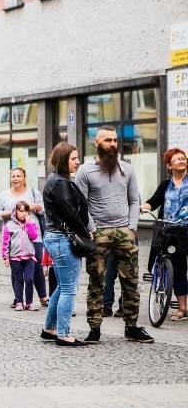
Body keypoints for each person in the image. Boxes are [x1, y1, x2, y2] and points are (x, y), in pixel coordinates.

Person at [74, 125, 153, 344]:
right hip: (98, 232)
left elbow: (134, 199)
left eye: (115, 140)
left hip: (124, 233)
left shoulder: (126, 168)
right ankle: (94, 329)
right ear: (97, 143)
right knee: (97, 282)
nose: (112, 144)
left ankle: (132, 326)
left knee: (131, 282)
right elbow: (82, 204)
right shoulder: (85, 170)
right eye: (107, 140)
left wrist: (132, 228)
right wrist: (92, 229)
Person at [42, 143, 93, 347]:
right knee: (69, 289)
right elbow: (70, 213)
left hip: (55, 237)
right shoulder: (60, 182)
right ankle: (64, 334)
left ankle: (49, 328)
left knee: (62, 286)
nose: (78, 161)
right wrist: (85, 231)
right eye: (73, 158)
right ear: (64, 160)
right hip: (63, 239)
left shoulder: (55, 179)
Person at [140, 148, 188, 321]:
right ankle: (182, 308)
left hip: (187, 228)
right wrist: (143, 207)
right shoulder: (165, 184)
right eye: (177, 159)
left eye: (183, 158)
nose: (182, 161)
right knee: (178, 268)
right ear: (169, 165)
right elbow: (154, 200)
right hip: (171, 231)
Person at [0, 167, 49, 308]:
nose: (16, 179)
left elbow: (44, 210)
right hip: (14, 236)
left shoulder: (33, 193)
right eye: (13, 176)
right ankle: (18, 299)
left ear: (24, 177)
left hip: (33, 235)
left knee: (37, 265)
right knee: (16, 268)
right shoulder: (4, 195)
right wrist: (8, 214)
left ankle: (43, 296)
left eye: (19, 176)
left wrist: (35, 207)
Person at [1, 201, 40, 311]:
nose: (24, 213)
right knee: (18, 280)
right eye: (21, 211)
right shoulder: (9, 226)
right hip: (15, 257)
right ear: (15, 212)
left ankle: (29, 302)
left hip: (29, 257)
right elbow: (5, 242)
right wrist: (5, 257)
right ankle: (19, 302)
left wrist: (28, 224)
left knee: (29, 279)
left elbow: (34, 237)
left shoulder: (32, 224)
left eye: (26, 211)